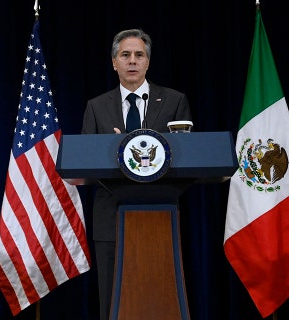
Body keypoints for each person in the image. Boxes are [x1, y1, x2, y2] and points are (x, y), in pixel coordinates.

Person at [81, 28, 192, 320]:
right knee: (112, 304)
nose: (132, 61)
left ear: (148, 62)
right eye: (125, 55)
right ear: (114, 62)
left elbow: (190, 155)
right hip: (110, 218)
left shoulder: (173, 101)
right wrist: (115, 149)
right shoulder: (96, 107)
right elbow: (84, 162)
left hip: (160, 215)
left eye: (139, 55)